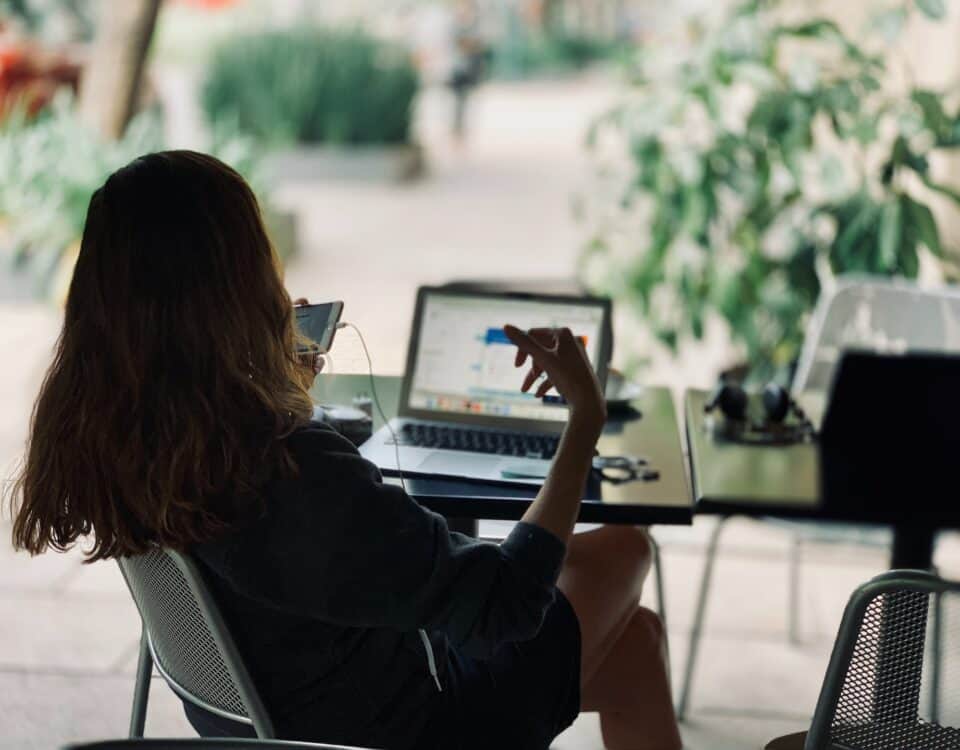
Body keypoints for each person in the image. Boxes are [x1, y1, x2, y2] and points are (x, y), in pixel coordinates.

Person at [6, 151, 681, 750]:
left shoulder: (124, 438)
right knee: (625, 548)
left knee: (639, 645)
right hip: (413, 729)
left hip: (272, 716)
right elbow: (503, 607)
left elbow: (313, 548)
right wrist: (582, 423)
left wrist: (278, 394)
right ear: (235, 286)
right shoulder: (285, 469)